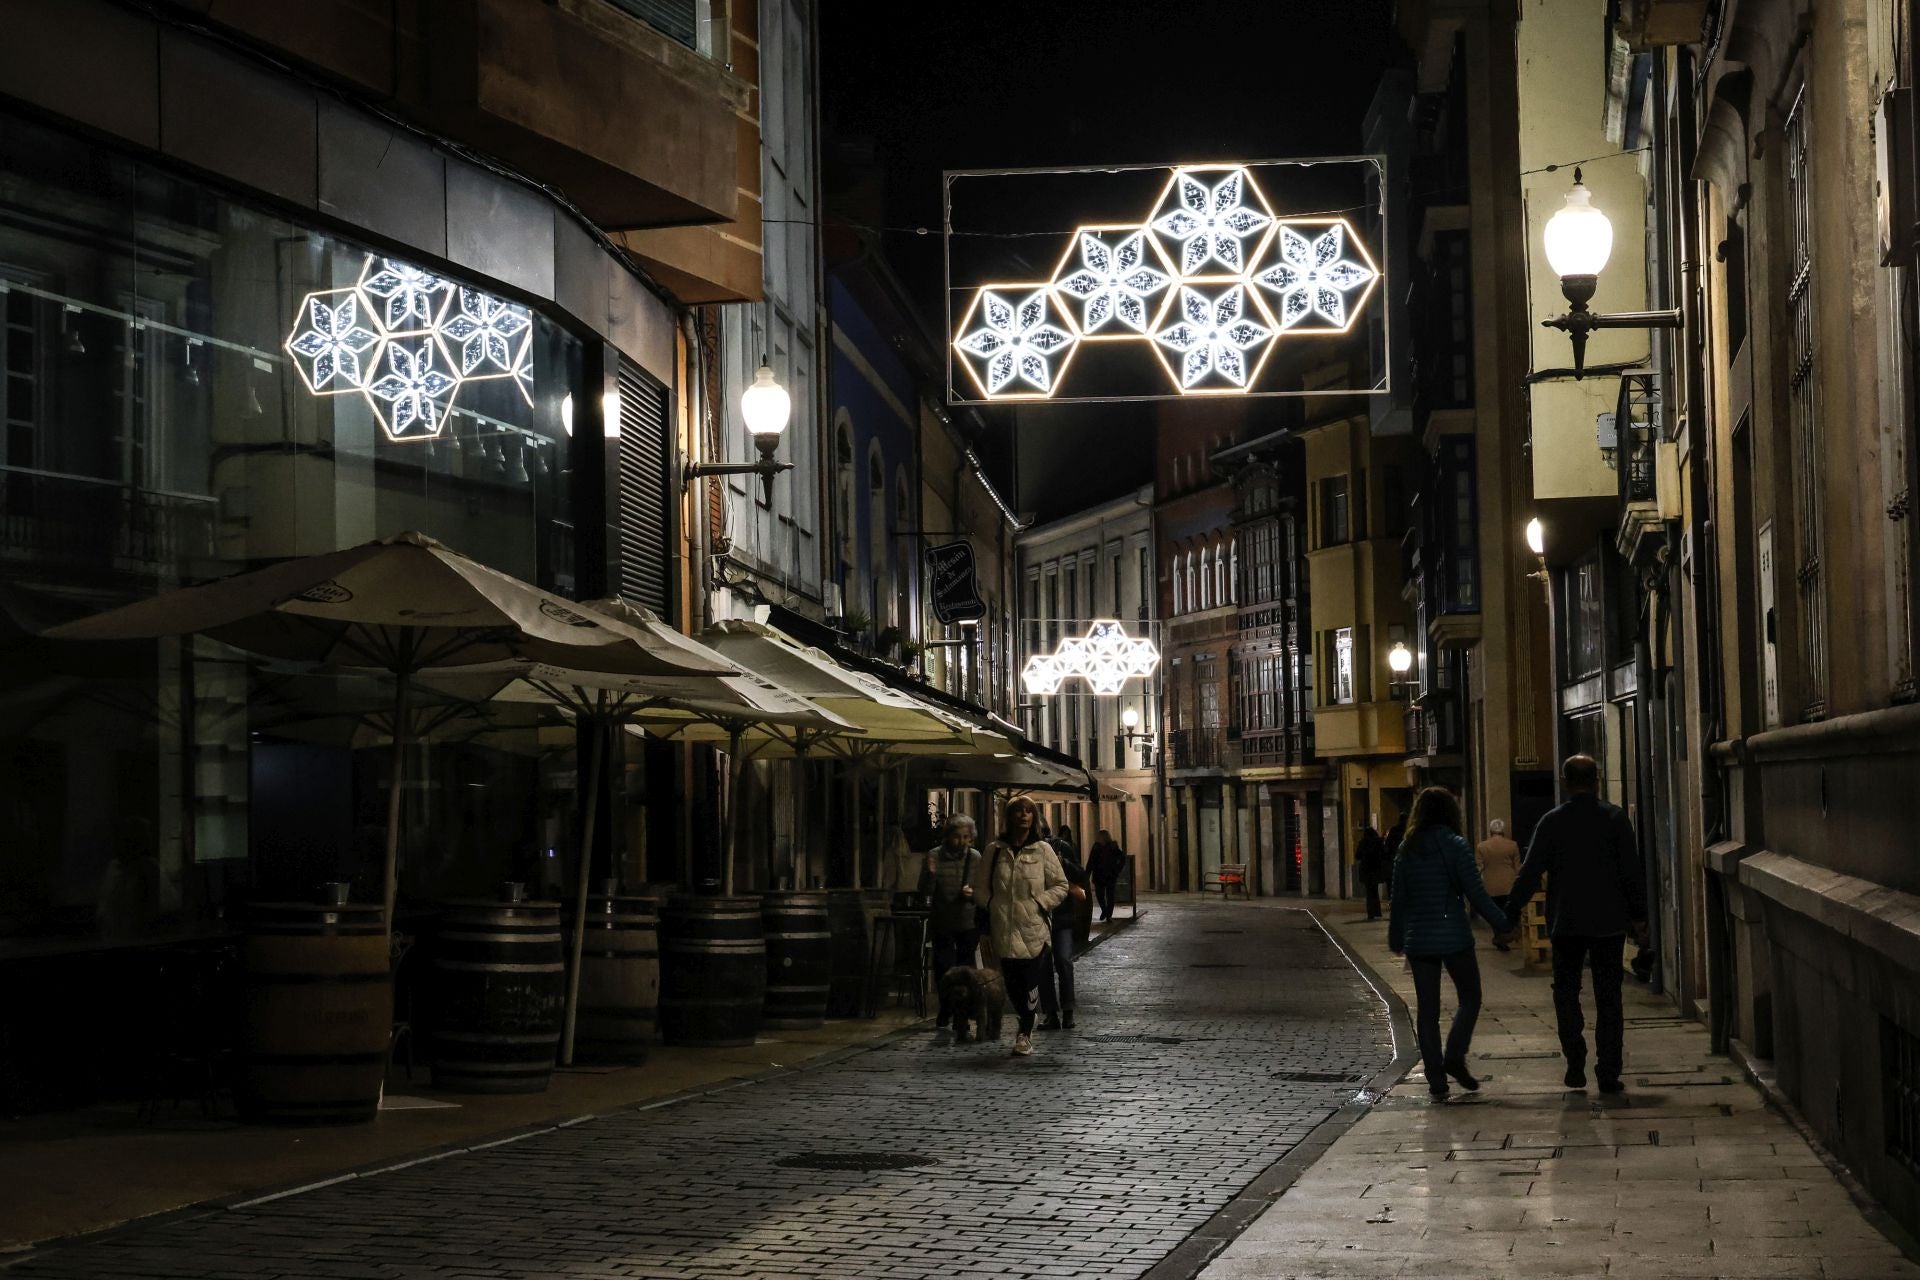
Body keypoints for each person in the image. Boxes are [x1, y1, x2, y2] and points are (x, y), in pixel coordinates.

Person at [1505, 754, 1648, 1094]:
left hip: (1566, 921)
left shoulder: (1552, 822)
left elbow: (1529, 871)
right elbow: (1632, 872)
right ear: (1597, 780)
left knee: (1566, 993)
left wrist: (1509, 912)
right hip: (1609, 922)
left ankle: (1574, 1061)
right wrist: (1640, 918)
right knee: (1609, 996)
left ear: (1565, 782)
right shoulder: (1615, 820)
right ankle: (1609, 1070)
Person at [1388, 786, 1512, 1103]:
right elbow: (1476, 892)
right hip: (1454, 935)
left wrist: (1396, 935)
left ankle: (1436, 1079)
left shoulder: (1407, 848)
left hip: (1420, 939)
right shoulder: (1456, 846)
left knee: (1427, 1011)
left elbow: (1398, 897)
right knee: (1470, 997)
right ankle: (1455, 1054)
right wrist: (1503, 922)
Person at [970, 795, 1069, 1057]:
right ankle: (1027, 1016)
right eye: (1018, 811)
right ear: (1010, 816)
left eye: (1029, 811)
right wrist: (991, 904)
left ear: (1034, 818)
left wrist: (1041, 902)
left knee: (1030, 981)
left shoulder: (1043, 850)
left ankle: (1025, 1031)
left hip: (1034, 927)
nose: (1024, 815)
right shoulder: (995, 850)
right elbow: (980, 887)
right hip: (1003, 926)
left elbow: (1061, 885)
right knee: (1013, 983)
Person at [923, 815, 984, 1031]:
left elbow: (983, 888)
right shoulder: (934, 856)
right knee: (944, 967)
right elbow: (925, 892)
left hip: (967, 919)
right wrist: (930, 875)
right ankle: (946, 1007)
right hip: (943, 920)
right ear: (948, 836)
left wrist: (973, 893)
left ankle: (964, 1013)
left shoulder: (976, 858)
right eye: (957, 837)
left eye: (966, 837)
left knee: (967, 968)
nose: (962, 842)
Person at [1038, 836, 1089, 1030]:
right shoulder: (1027, 850)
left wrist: (1063, 863)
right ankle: (1051, 1013)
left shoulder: (1062, 847)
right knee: (1043, 966)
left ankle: (1068, 1011)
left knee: (1064, 961)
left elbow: (1081, 874)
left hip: (1062, 917)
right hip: (1039, 917)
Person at [1475, 819, 1523, 950]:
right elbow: (1517, 867)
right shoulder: (1512, 845)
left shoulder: (1482, 846)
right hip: (1509, 884)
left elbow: (1478, 868)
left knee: (1494, 913)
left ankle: (1499, 936)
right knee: (1508, 911)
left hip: (1490, 886)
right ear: (1503, 831)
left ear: (1490, 831)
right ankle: (1506, 936)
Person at [1087, 830, 1128, 922]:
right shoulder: (1096, 847)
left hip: (1110, 875)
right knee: (1100, 895)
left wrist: (1117, 869)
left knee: (1110, 896)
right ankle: (1104, 910)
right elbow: (1091, 861)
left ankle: (1108, 915)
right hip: (1099, 875)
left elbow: (1122, 858)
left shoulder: (1112, 846)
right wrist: (1087, 874)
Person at [1354, 825, 1387, 921]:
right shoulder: (1378, 842)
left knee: (1369, 892)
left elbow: (1357, 855)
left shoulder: (1363, 842)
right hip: (1376, 869)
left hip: (1366, 870)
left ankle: (1370, 913)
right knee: (1375, 891)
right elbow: (1384, 854)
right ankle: (1377, 911)